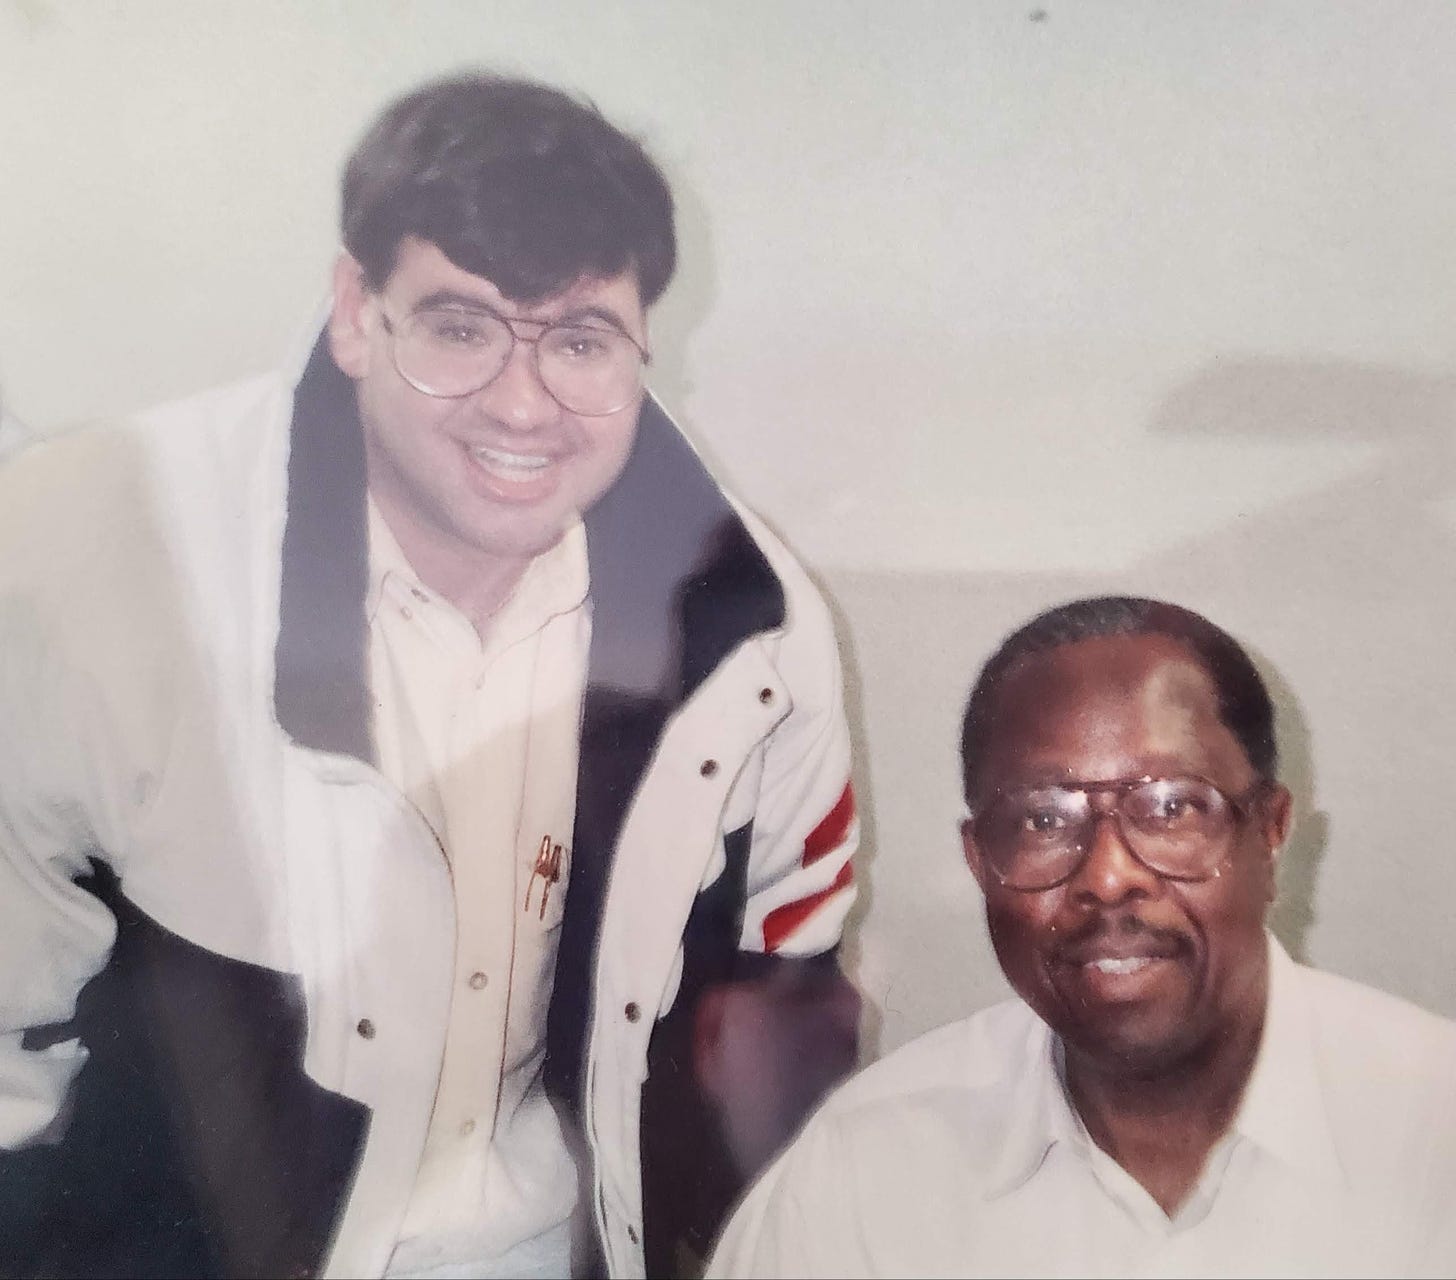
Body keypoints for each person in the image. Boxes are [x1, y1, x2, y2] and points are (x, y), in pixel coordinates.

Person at [0, 73, 860, 1280]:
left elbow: (785, 1012)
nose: (522, 403)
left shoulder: (753, 642)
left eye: (578, 339)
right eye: (459, 325)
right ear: (357, 309)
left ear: (642, 343)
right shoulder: (99, 552)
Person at [708, 595, 1456, 1278]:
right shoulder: (861, 1172)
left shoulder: (1431, 1130)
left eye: (1171, 808)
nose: (1107, 876)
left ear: (1271, 835)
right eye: (1041, 818)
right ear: (979, 862)